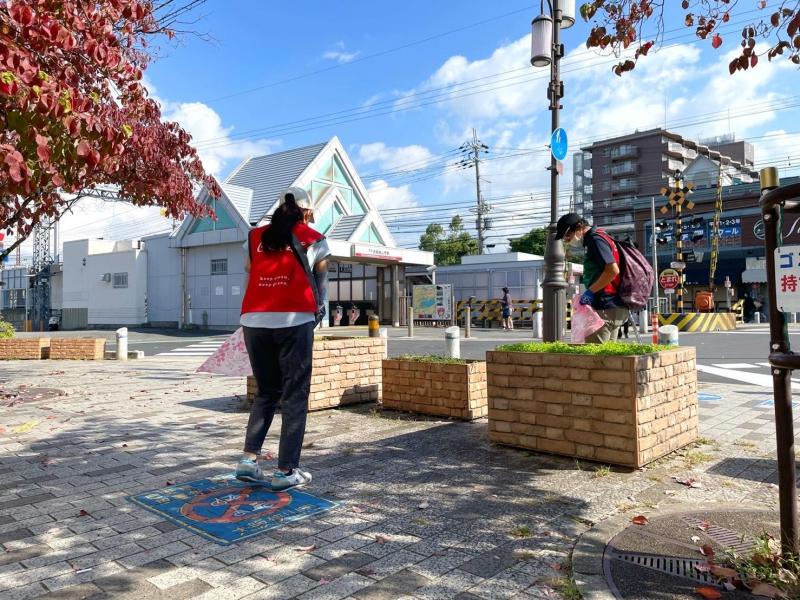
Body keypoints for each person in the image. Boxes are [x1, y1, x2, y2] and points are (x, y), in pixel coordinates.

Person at [235, 187, 330, 490]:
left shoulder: (254, 237)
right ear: (306, 211)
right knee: (294, 395)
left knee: (266, 391)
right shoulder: (313, 237)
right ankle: (287, 471)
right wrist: (320, 312)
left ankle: (249, 462)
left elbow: (250, 270)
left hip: (254, 319)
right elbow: (321, 280)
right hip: (294, 318)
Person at [556, 213, 629, 343]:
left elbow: (612, 270)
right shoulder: (602, 235)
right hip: (614, 304)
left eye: (568, 235)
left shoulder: (595, 240)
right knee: (609, 356)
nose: (567, 240)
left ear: (579, 227)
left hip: (605, 305)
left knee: (595, 357)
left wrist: (591, 291)